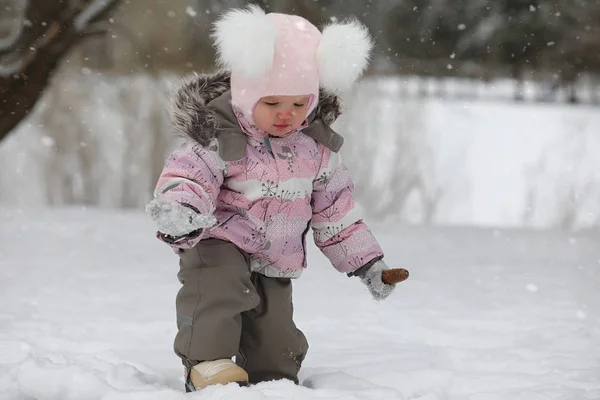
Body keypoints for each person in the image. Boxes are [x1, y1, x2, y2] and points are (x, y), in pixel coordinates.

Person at [146, 5, 408, 392]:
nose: (286, 115)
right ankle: (207, 365)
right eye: (272, 104)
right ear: (247, 95)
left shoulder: (315, 151)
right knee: (218, 292)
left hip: (277, 256)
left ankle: (271, 377)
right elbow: (188, 177)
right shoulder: (219, 137)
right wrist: (181, 212)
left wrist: (369, 263)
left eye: (299, 104)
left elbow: (336, 213)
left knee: (276, 341)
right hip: (219, 240)